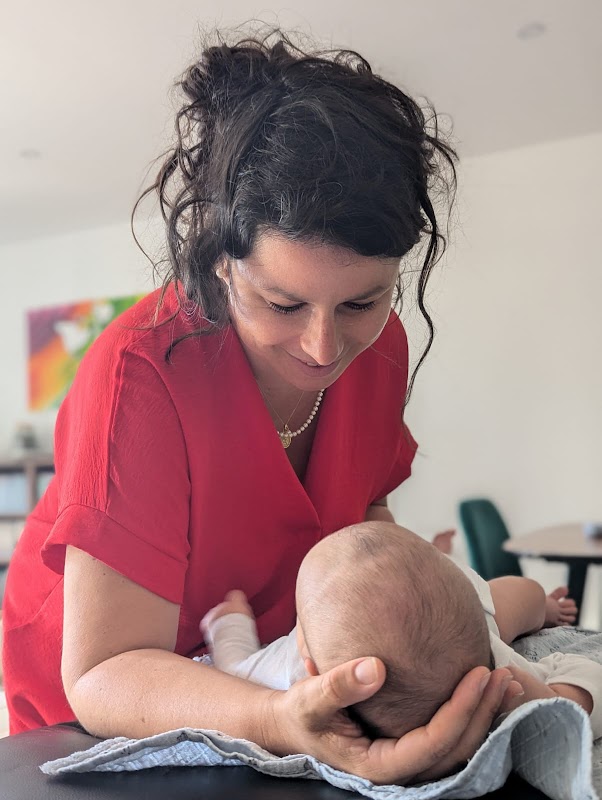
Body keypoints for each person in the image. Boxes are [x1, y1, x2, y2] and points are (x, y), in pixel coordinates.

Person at [1, 30, 521, 784]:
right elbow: (107, 672)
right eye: (282, 302)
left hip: (267, 676)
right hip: (97, 717)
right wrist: (277, 722)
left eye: (361, 301)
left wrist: (407, 611)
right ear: (219, 259)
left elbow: (360, 505)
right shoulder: (141, 373)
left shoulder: (380, 349)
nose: (322, 346)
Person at [202, 522, 602, 740]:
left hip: (461, 613)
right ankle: (546, 606)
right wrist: (556, 700)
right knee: (521, 596)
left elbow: (234, 668)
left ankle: (539, 606)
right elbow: (586, 674)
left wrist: (231, 622)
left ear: (305, 651)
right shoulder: (500, 680)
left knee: (515, 601)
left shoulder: (286, 672)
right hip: (477, 621)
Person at [431, 530, 578, 628]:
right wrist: (540, 606)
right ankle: (542, 609)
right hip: (458, 621)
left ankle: (437, 556)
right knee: (527, 592)